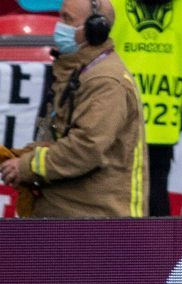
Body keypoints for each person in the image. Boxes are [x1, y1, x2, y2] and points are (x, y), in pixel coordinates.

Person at [0, 0, 148, 217]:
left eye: (68, 19)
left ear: (95, 29)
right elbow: (58, 133)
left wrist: (27, 166)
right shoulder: (75, 72)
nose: (59, 26)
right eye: (61, 17)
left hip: (96, 222)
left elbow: (86, 147)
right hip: (69, 214)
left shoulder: (105, 81)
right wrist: (25, 155)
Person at [110, 0, 182, 216]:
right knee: (155, 199)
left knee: (108, 202)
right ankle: (155, 249)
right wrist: (178, 118)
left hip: (112, 120)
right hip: (162, 122)